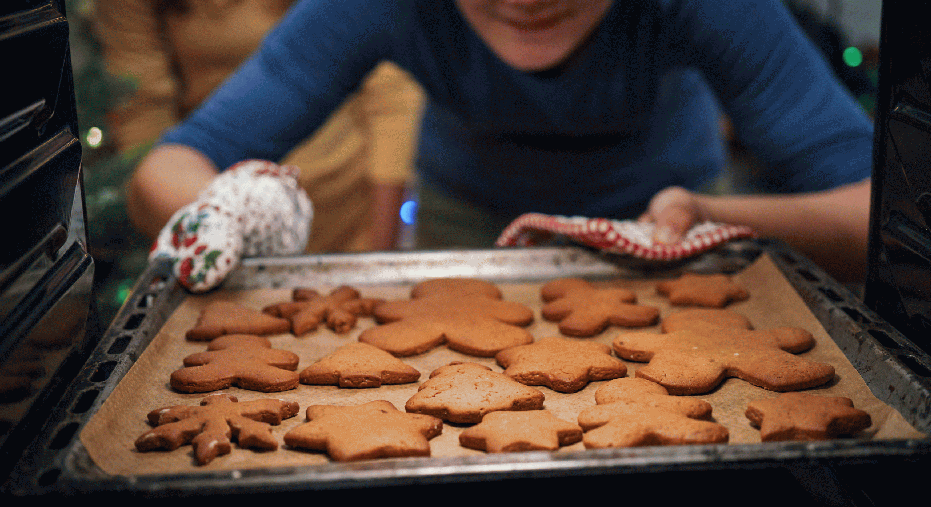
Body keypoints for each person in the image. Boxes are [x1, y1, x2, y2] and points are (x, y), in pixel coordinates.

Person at [127, 0, 873, 282]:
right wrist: (223, 211)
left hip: (664, 231)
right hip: (467, 220)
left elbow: (880, 213)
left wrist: (709, 219)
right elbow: (168, 165)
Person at [95, 0, 425, 252]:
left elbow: (391, 94)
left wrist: (381, 247)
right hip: (213, 190)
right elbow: (142, 111)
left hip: (349, 203)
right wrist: (216, 223)